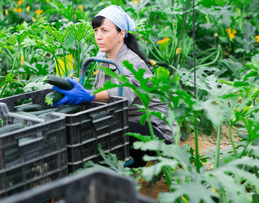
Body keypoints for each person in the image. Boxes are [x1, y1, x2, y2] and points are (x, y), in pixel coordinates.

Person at [51, 5, 177, 165]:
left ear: (121, 34)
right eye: (96, 31)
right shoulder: (105, 59)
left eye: (104, 30)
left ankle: (128, 164)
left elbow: (121, 93)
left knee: (103, 131)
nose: (98, 36)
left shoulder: (131, 62)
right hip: (128, 124)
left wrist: (89, 95)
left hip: (156, 131)